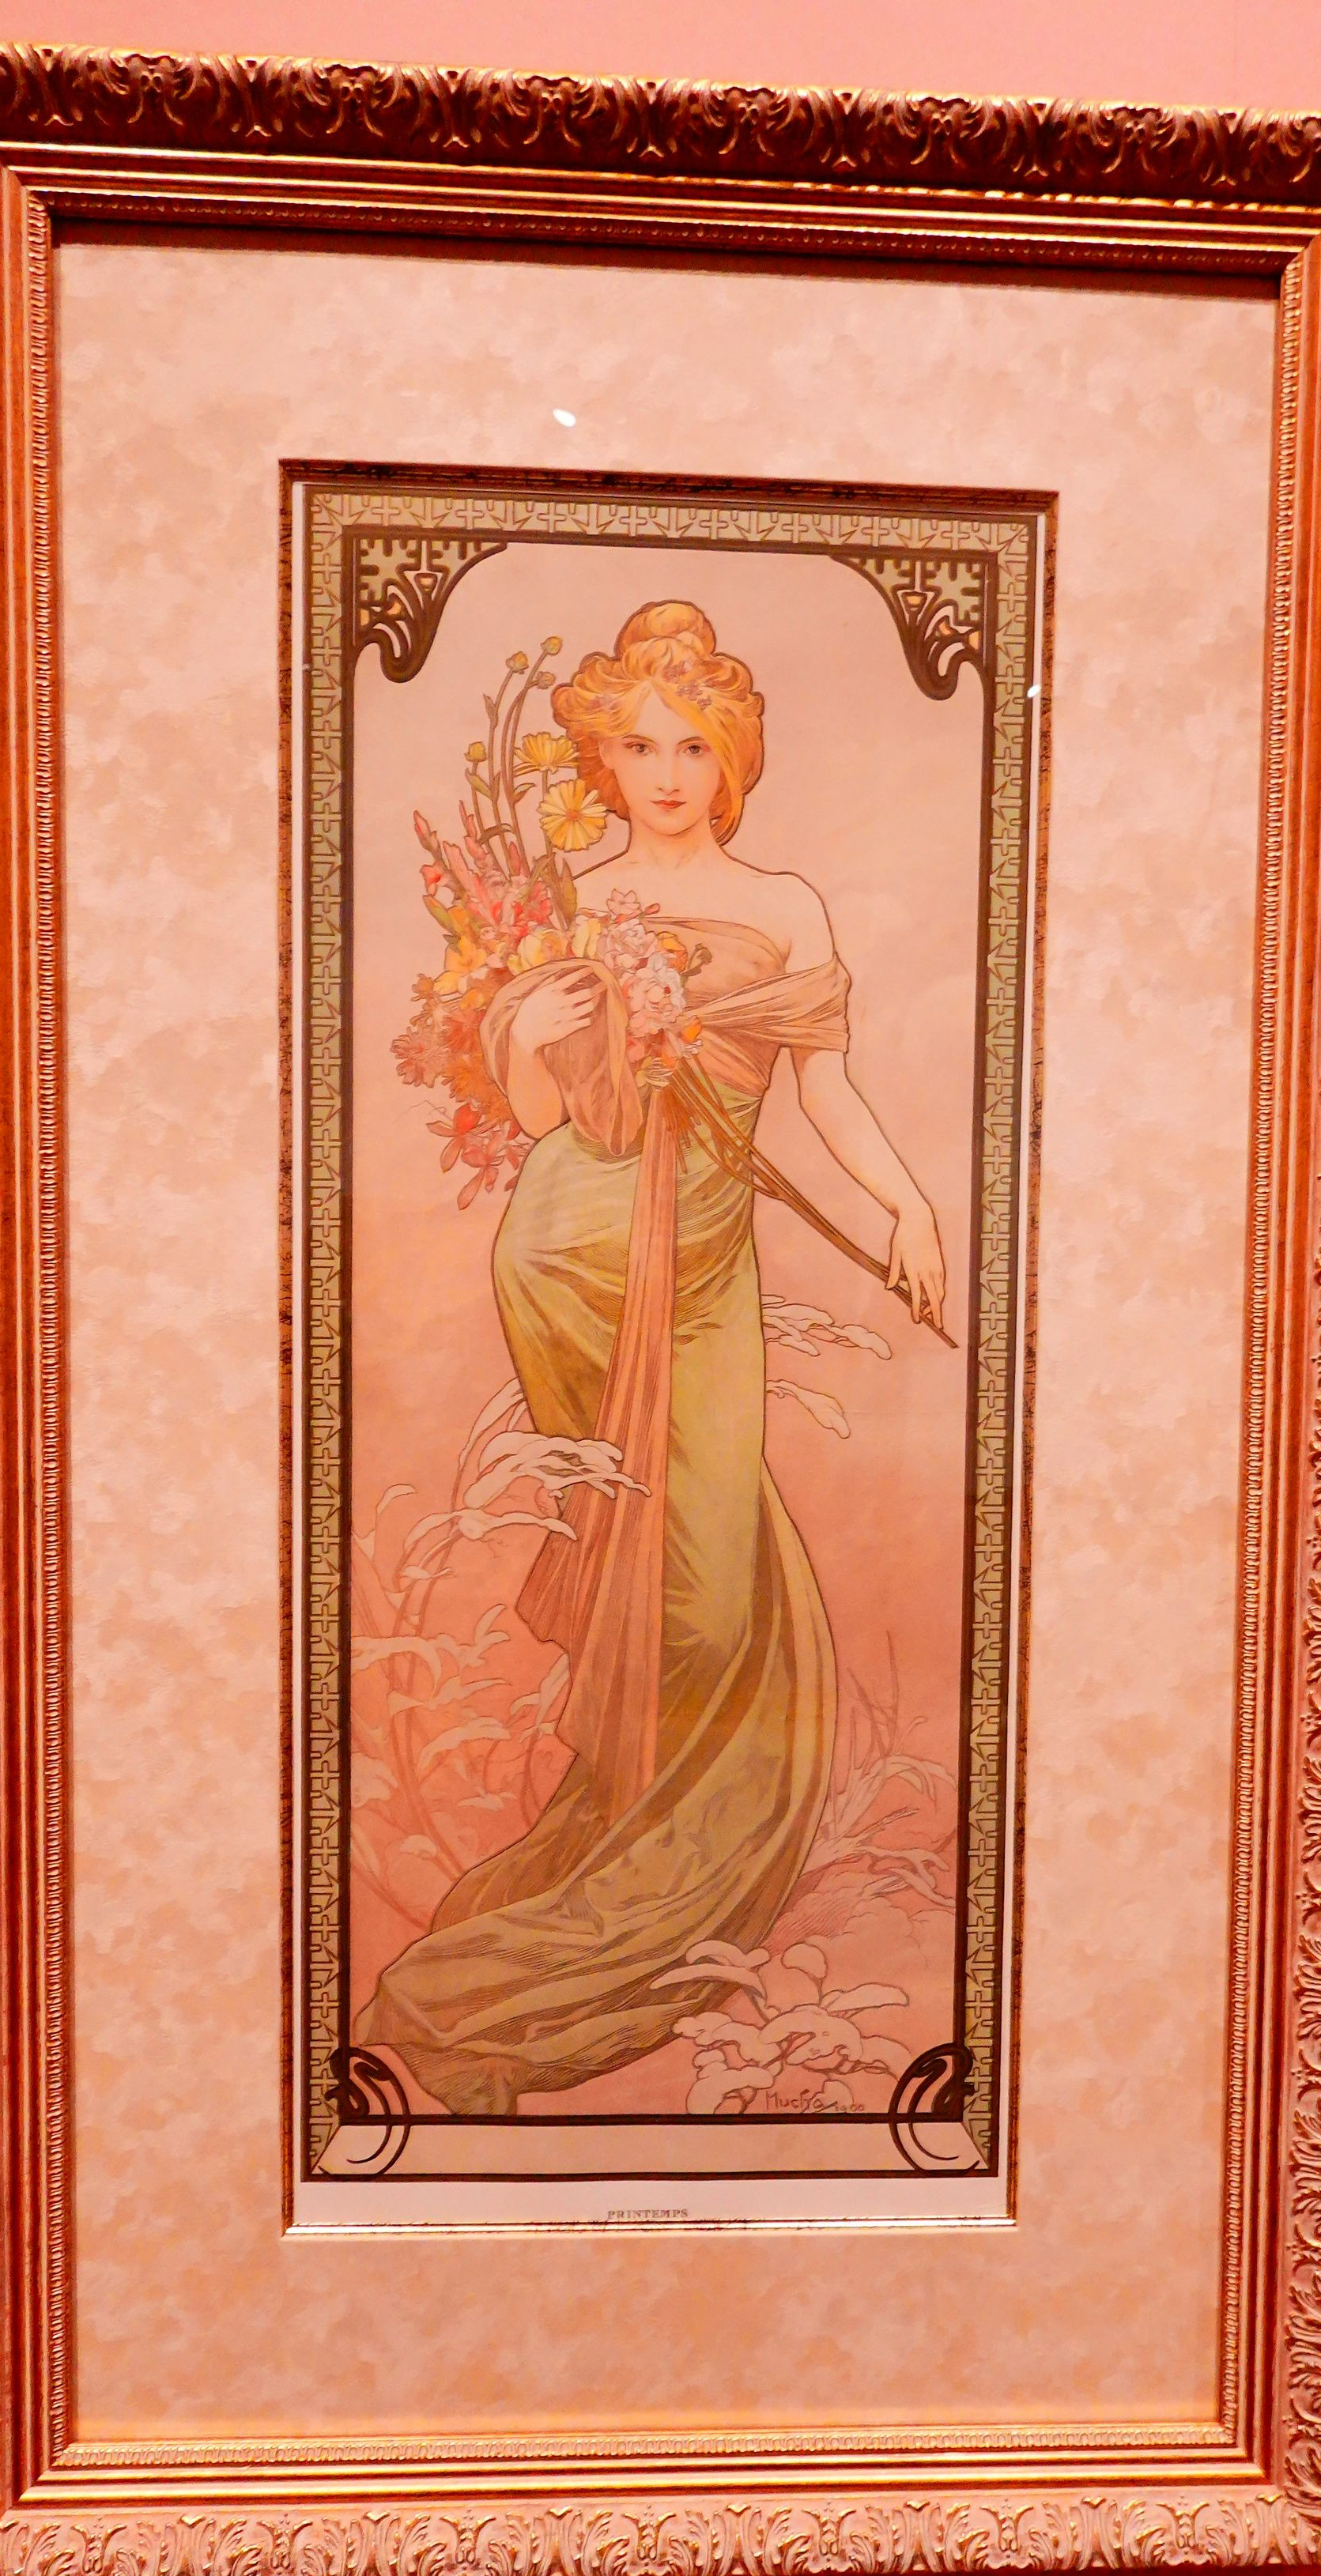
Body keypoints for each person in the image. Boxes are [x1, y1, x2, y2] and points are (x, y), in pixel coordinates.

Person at [357, 600, 944, 2113]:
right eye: (639, 746)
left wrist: (909, 1205)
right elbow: (538, 1118)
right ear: (602, 763)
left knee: (709, 1574)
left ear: (730, 757)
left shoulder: (786, 906)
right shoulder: (565, 898)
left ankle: (656, 1871)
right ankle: (638, 1867)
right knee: (643, 1554)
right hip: (572, 1250)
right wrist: (523, 1034)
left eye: (693, 746)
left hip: (705, 1259)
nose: (668, 773)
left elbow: (824, 1095)